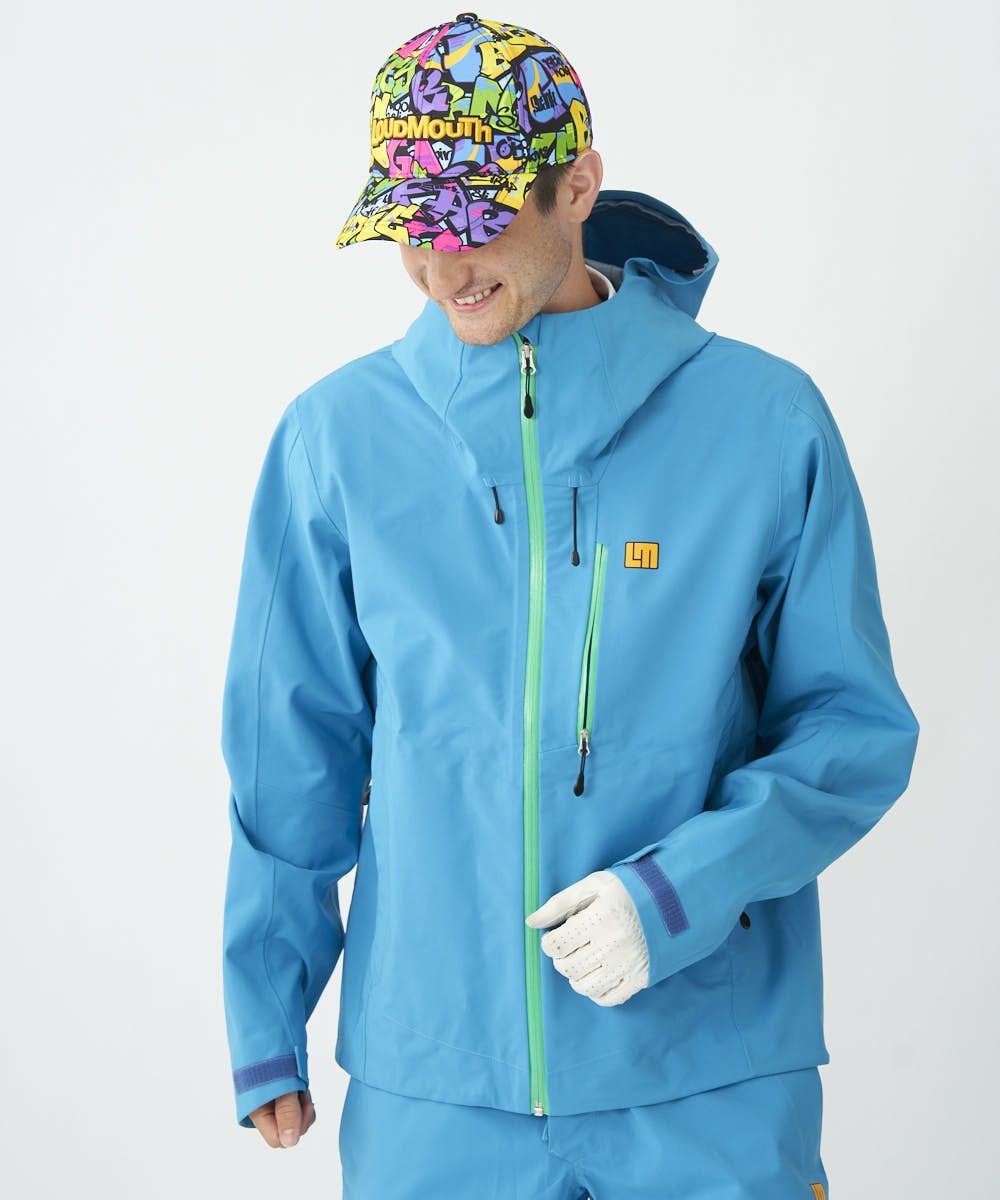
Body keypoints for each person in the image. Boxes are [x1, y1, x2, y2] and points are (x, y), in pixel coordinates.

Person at [219, 12, 919, 1198]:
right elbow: (292, 750)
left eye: (473, 221)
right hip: (435, 1083)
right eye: (411, 231)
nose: (443, 268)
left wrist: (681, 890)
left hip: (708, 1074)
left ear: (578, 186)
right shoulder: (335, 440)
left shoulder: (763, 422)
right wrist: (264, 1007)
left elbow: (850, 730)